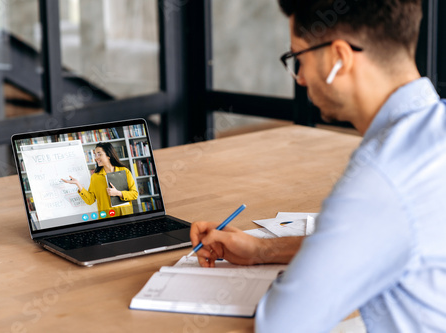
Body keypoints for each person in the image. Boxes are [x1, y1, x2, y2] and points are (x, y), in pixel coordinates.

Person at [190, 0, 446, 331]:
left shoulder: (379, 180)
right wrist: (261, 250)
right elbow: (376, 242)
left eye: (300, 58)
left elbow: (281, 325)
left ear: (340, 58)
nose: (300, 78)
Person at [63, 142, 138, 217]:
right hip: (107, 218)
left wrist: (118, 193)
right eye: (95, 155)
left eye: (99, 154)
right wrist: (78, 184)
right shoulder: (95, 177)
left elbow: (134, 194)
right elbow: (90, 200)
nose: (96, 158)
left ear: (108, 155)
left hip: (125, 215)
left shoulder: (125, 171)